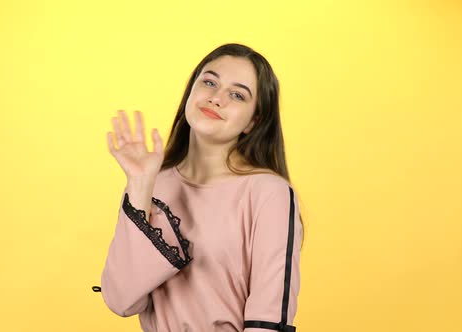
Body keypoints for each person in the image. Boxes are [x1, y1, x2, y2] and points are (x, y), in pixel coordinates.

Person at [94, 43, 305, 332]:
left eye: (237, 94)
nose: (216, 98)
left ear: (253, 121)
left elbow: (268, 321)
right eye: (209, 82)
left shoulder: (269, 193)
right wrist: (140, 184)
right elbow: (121, 300)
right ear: (190, 93)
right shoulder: (153, 183)